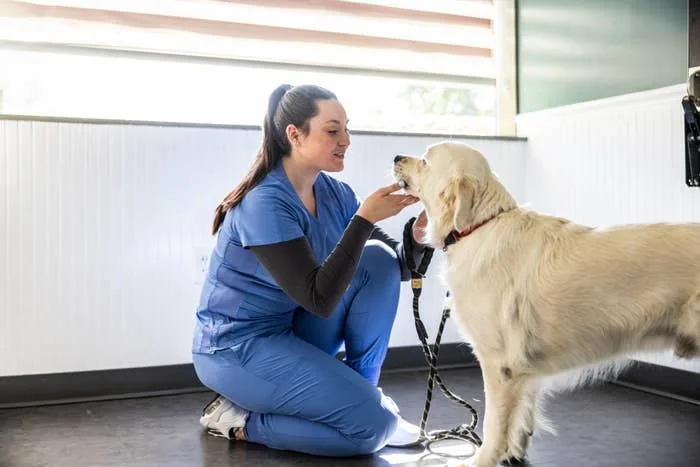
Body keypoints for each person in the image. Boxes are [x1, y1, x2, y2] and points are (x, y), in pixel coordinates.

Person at [191, 83, 430, 457]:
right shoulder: (264, 204)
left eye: (347, 129)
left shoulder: (336, 194)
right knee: (372, 431)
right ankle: (239, 420)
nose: (346, 140)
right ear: (294, 135)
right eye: (333, 131)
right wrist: (364, 219)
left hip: (291, 328)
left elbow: (396, 265)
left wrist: (419, 234)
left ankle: (362, 394)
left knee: (378, 260)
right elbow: (319, 298)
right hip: (236, 349)